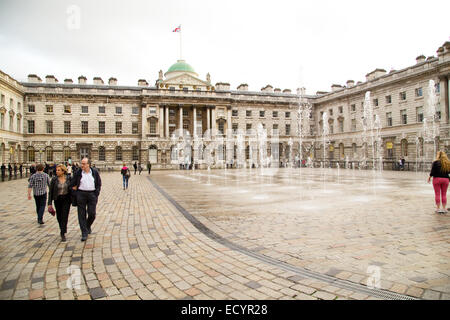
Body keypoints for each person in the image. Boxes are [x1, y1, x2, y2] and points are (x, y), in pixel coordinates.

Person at [71, 157, 102, 241]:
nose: (82, 165)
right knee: (81, 214)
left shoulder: (95, 172)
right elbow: (72, 184)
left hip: (92, 194)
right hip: (81, 194)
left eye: (84, 164)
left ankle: (87, 226)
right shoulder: (78, 173)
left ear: (88, 164)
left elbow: (99, 183)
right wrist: (76, 194)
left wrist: (96, 193)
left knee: (92, 214)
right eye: (82, 163)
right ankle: (84, 232)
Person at [48, 164, 72, 241]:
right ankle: (62, 228)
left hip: (66, 199)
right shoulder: (54, 179)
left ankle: (62, 232)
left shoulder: (69, 178)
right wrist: (49, 204)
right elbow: (50, 192)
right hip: (57, 199)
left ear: (63, 171)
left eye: (58, 170)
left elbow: (72, 188)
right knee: (59, 216)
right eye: (56, 170)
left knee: (65, 216)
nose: (57, 171)